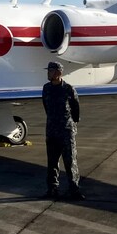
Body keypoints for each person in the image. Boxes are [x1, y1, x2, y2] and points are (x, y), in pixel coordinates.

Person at [42, 61, 84, 200]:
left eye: (51, 71)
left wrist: (71, 124)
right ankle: (52, 189)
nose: (48, 73)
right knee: (52, 163)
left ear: (59, 73)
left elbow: (75, 108)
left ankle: (74, 190)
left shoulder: (68, 89)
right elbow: (46, 107)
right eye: (48, 71)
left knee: (70, 162)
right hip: (52, 132)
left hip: (66, 131)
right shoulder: (46, 88)